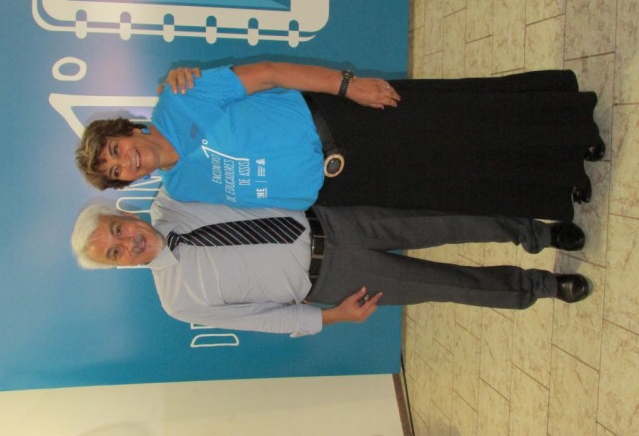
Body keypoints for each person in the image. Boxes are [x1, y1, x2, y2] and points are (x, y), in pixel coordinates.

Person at [76, 62, 604, 221]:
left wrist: (349, 86)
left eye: (115, 150)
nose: (125, 162)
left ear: (126, 130)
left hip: (341, 122)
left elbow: (269, 72)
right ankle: (557, 181)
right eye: (116, 172)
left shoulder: (180, 97)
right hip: (344, 187)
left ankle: (569, 125)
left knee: (461, 122)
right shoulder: (180, 190)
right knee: (455, 181)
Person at [71, 189, 592, 336]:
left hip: (333, 222)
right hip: (333, 280)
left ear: (124, 213)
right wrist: (333, 317)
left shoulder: (173, 198)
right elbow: (262, 319)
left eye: (117, 230)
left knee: (446, 221)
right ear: (119, 266)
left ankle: (539, 232)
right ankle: (541, 287)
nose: (127, 243)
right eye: (114, 253)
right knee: (448, 285)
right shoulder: (178, 301)